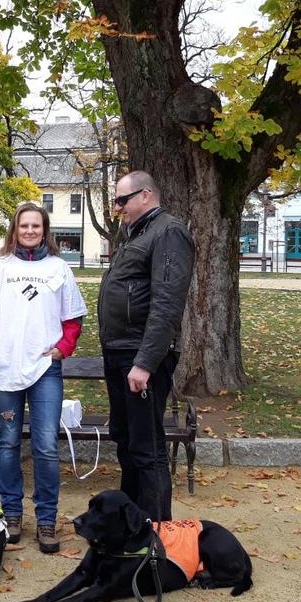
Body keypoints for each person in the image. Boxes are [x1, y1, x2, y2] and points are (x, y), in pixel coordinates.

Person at [0, 202, 87, 553]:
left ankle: (47, 520)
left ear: (45, 230)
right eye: (24, 226)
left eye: (36, 226)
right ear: (14, 229)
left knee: (46, 446)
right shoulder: (0, 269)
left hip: (44, 370)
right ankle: (12, 515)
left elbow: (74, 318)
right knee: (7, 443)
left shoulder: (59, 269)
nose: (30, 231)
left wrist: (62, 349)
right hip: (5, 369)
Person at [98, 171, 193, 522]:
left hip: (141, 357)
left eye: (123, 200)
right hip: (120, 353)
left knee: (147, 447)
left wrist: (146, 362)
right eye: (117, 200)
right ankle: (131, 524)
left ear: (146, 195)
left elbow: (167, 304)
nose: (118, 207)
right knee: (125, 439)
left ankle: (156, 534)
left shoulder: (168, 232)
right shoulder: (137, 234)